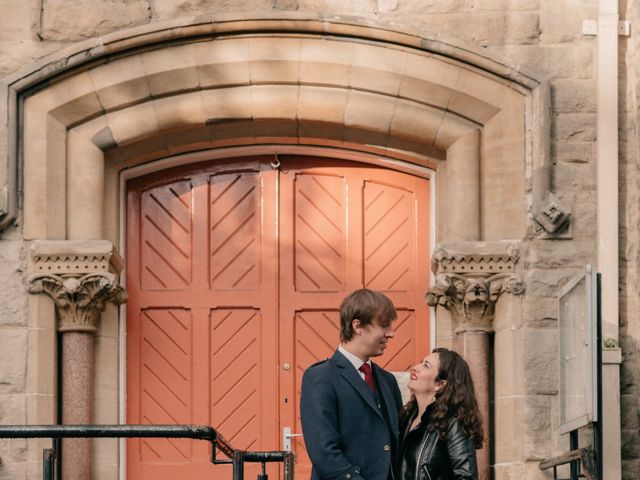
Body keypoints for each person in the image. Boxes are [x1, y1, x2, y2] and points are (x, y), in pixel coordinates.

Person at [300, 289, 404, 480]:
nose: (391, 333)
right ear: (358, 326)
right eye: (384, 325)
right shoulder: (320, 377)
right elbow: (325, 453)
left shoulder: (388, 380)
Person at [396, 348, 483, 480]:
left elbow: (466, 477)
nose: (415, 367)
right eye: (421, 362)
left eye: (426, 365)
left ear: (440, 384)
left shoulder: (453, 423)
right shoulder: (406, 418)